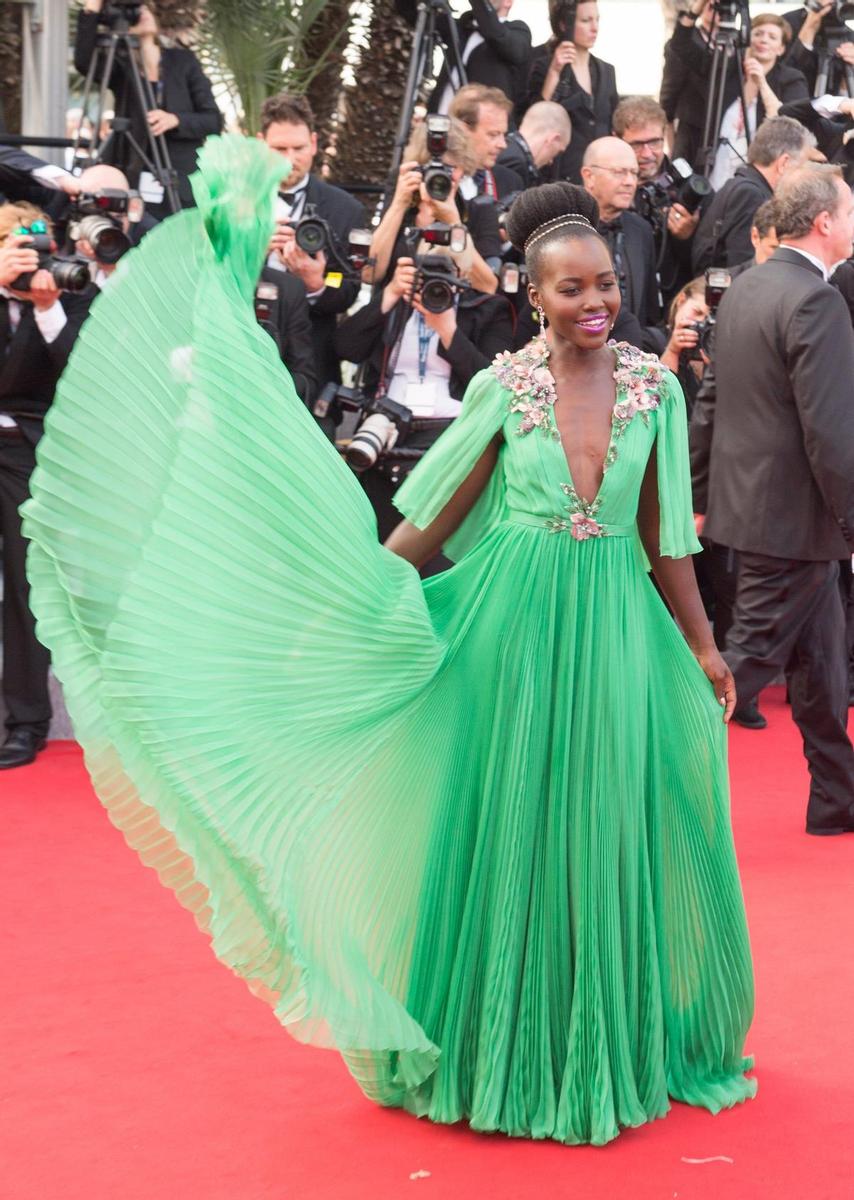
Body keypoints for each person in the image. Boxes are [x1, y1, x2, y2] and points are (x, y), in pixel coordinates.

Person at [20, 135, 757, 1145]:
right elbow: (429, 524)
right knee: (509, 825)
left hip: (617, 629)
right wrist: (353, 597)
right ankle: (498, 1047)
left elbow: (663, 536)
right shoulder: (503, 387)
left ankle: (601, 1043)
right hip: (507, 628)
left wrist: (703, 644)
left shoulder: (653, 389)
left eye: (603, 285)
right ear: (531, 294)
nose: (593, 303)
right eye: (569, 288)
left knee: (601, 818)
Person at [695, 164, 854, 832]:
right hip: (793, 517)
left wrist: (698, 491)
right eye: (850, 211)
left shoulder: (747, 287)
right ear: (824, 222)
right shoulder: (816, 301)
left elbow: (709, 401)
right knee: (743, 666)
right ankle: (637, 773)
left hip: (762, 512)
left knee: (822, 669)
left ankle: (837, 799)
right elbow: (831, 429)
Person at [0, 203, 92, 769]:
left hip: (25, 456)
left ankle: (26, 723)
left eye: (36, 242)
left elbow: (81, 372)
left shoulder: (71, 289)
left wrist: (46, 310)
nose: (28, 253)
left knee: (22, 587)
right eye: (14, 242)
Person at [689, 200, 779, 733]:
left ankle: (741, 688)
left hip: (761, 469)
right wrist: (698, 493)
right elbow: (708, 406)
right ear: (755, 236)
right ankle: (725, 684)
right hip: (727, 467)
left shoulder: (805, 293)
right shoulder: (728, 292)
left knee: (756, 589)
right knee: (729, 585)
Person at [258, 93, 366, 393]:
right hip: (241, 346)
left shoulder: (345, 209)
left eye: (299, 148)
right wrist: (251, 250)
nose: (289, 159)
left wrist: (317, 282)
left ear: (315, 144)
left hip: (312, 361)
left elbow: (346, 285)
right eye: (279, 149)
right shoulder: (235, 203)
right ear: (259, 144)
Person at [75, 0, 223, 212]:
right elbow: (84, 62)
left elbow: (213, 120)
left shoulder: (183, 61)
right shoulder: (121, 65)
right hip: (136, 172)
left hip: (180, 178)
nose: (143, 12)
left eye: (146, 8)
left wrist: (175, 120)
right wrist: (92, 9)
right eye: (135, 11)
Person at [666, 5, 809, 183]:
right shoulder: (728, 68)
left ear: (781, 48)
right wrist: (694, 10)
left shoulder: (791, 79)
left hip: (758, 175)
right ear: (747, 38)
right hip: (714, 169)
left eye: (772, 37)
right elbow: (681, 45)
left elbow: (791, 124)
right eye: (758, 33)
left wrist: (761, 83)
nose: (763, 40)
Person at [614, 94, 713, 307]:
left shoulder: (688, 187)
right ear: (617, 139)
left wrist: (686, 238)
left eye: (654, 142)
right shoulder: (608, 186)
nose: (648, 153)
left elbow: (708, 263)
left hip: (676, 302)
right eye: (637, 145)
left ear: (665, 135)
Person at [692, 115, 813, 274]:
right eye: (801, 166)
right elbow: (744, 264)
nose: (802, 176)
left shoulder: (741, 186)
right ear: (783, 163)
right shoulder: (751, 196)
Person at [580, 136, 662, 351]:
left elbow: (650, 308)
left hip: (631, 358)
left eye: (634, 173)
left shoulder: (641, 229)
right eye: (619, 172)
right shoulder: (565, 228)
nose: (629, 182)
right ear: (589, 176)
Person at [526, 0, 618, 184]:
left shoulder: (606, 70)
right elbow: (536, 118)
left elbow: (612, 123)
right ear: (564, 24)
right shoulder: (543, 65)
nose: (594, 28)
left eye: (597, 20)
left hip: (599, 176)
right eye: (585, 21)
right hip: (560, 174)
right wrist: (554, 73)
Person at [396, 0, 532, 121]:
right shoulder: (461, 28)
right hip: (438, 126)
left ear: (508, 2)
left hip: (478, 133)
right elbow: (413, 15)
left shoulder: (518, 31)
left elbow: (495, 35)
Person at [448, 84, 517, 199]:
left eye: (503, 134)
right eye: (493, 135)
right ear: (463, 130)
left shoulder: (510, 182)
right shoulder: (430, 178)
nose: (503, 145)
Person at [496, 100, 572, 191]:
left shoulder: (510, 150)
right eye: (558, 152)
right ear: (553, 139)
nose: (551, 161)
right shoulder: (517, 163)